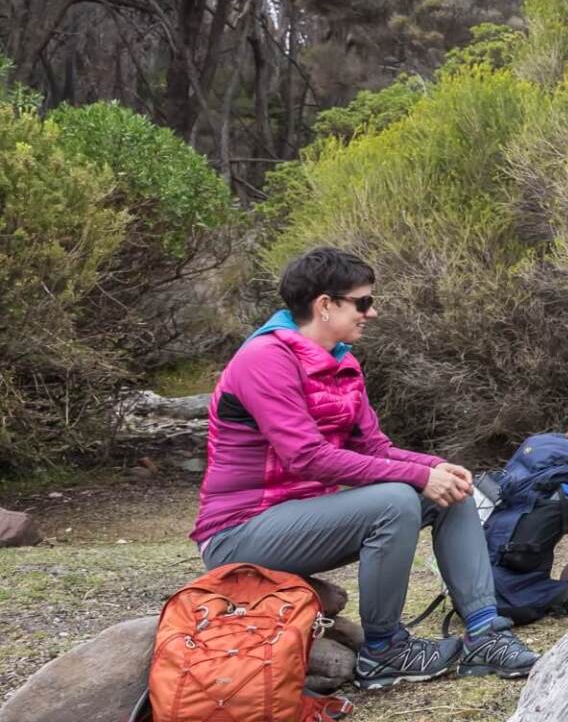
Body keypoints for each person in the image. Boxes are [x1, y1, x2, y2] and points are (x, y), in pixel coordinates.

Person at [193, 247, 537, 691]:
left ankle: (486, 635)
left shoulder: (340, 361)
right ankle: (384, 650)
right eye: (362, 302)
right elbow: (307, 457)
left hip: (303, 516)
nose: (372, 312)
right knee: (394, 501)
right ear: (325, 305)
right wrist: (416, 477)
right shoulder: (265, 359)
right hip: (239, 533)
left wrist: (434, 467)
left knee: (451, 491)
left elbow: (374, 447)